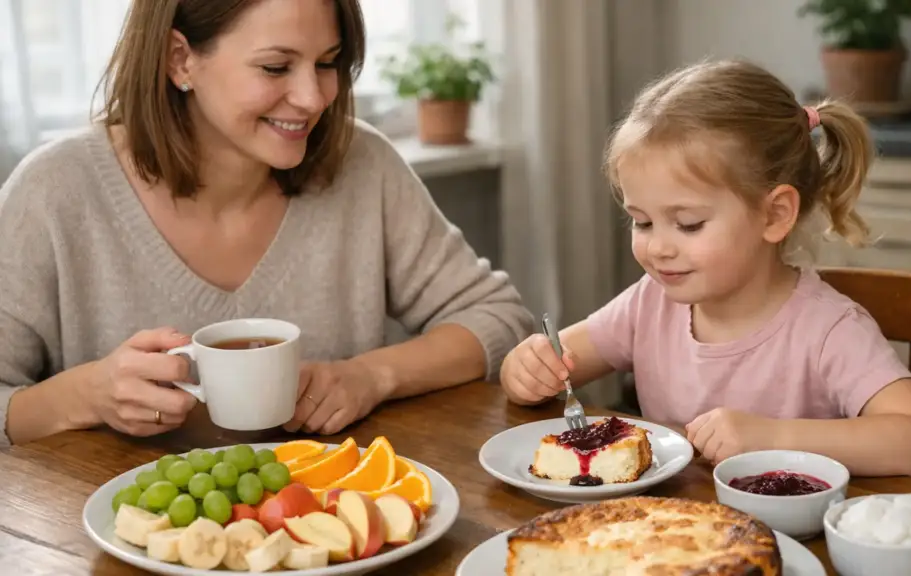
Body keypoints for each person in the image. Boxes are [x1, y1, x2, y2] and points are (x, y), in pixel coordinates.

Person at [0, 0, 534, 447]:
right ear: (179, 59)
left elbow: (499, 320)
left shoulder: (361, 162)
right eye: (276, 67)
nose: (313, 98)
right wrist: (87, 395)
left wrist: (369, 376)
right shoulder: (55, 191)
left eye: (327, 62)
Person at [500, 60, 911, 480]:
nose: (658, 247)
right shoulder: (649, 303)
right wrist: (526, 369)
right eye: (642, 221)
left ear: (775, 215)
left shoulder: (828, 329)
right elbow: (555, 364)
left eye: (688, 224)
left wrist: (770, 438)